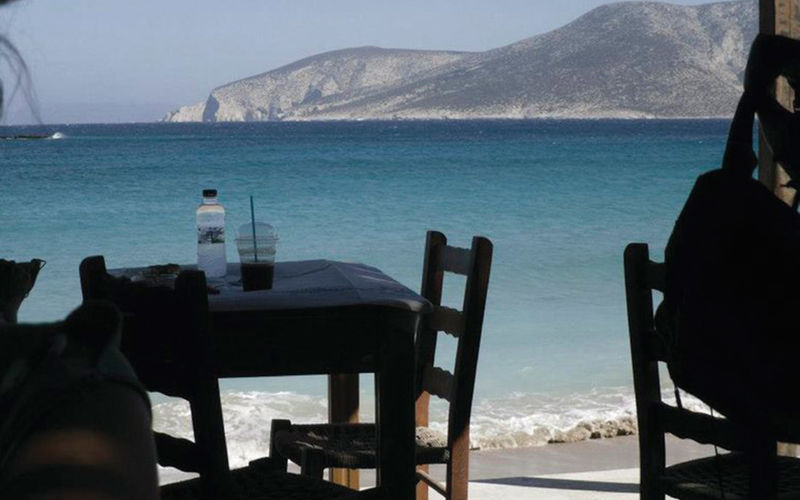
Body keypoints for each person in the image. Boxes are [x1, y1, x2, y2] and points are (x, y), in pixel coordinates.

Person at [659, 34, 800, 426]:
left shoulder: (729, 204)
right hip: (769, 394)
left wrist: (752, 101)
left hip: (734, 385)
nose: (789, 118)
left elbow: (735, 169)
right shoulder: (769, 225)